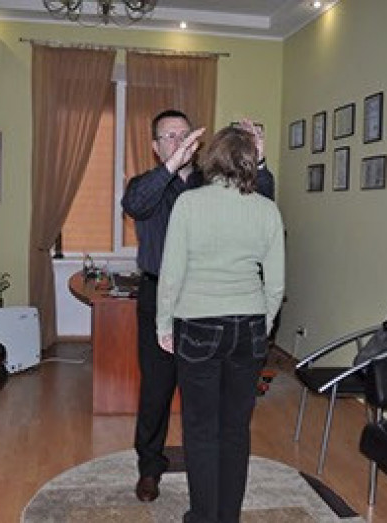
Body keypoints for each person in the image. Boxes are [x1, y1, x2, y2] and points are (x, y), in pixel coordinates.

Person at [121, 110, 274, 503]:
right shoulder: (147, 185)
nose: (179, 142)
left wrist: (257, 161)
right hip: (160, 296)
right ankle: (150, 468)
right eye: (169, 137)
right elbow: (135, 205)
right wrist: (171, 167)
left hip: (209, 308)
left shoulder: (213, 184)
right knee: (156, 391)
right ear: (155, 147)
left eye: (185, 135)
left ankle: (209, 475)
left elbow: (262, 201)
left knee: (212, 406)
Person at [155, 126, 285, 523]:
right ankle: (228, 516)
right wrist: (262, 324)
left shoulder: (190, 203)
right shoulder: (266, 209)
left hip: (198, 326)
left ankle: (204, 516)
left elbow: (171, 273)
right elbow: (276, 283)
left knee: (200, 429)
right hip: (249, 326)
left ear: (211, 158)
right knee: (235, 428)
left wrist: (163, 324)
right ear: (249, 161)